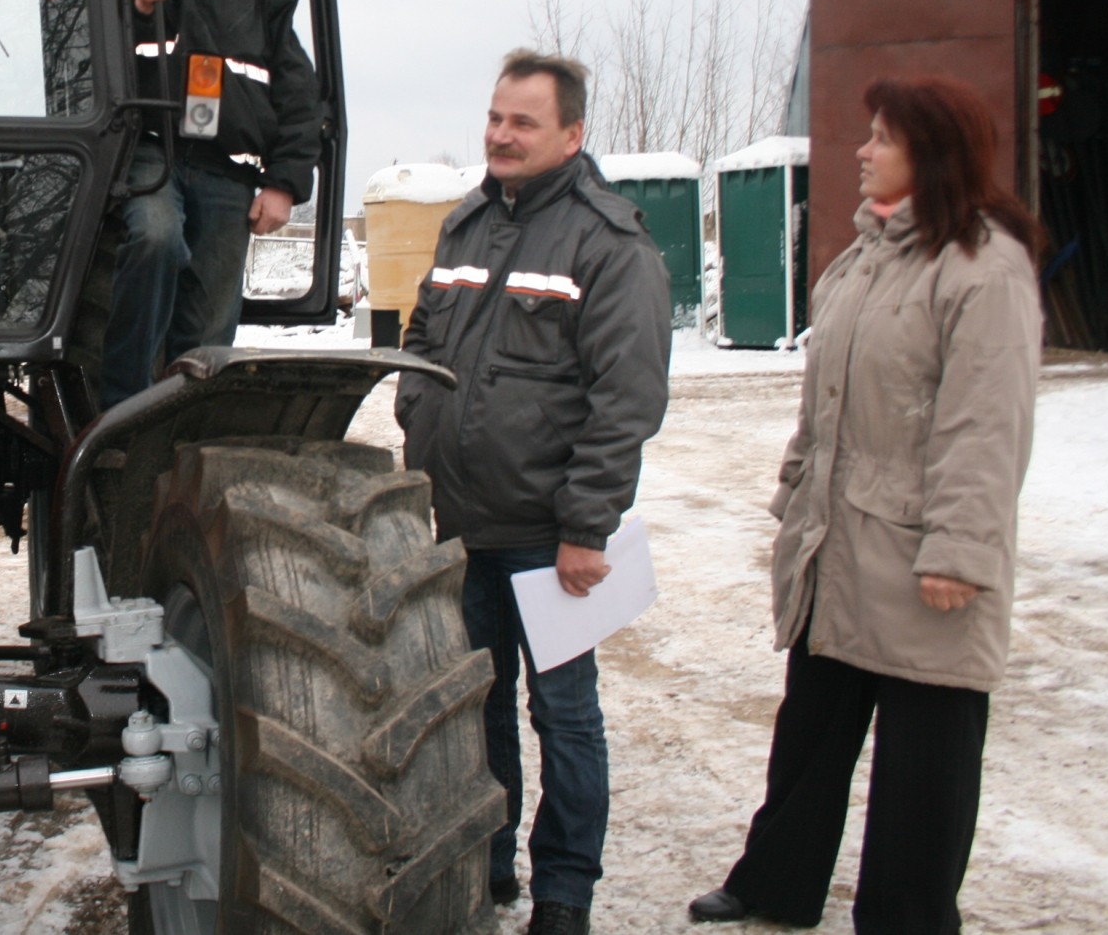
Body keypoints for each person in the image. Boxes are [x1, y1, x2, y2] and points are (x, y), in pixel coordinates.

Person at [689, 76, 1044, 934]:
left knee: (926, 763)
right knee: (809, 731)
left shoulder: (983, 268)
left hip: (923, 554)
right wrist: (794, 491)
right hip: (838, 542)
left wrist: (959, 549)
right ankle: (777, 880)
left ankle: (907, 913)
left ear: (933, 151)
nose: (862, 150)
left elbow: (985, 424)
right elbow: (826, 405)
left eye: (881, 136)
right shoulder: (862, 260)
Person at [395, 51, 671, 935]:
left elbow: (626, 396)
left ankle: (564, 892)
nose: (501, 136)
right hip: (462, 525)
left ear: (571, 135)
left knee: (564, 716)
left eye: (523, 122)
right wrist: (416, 415)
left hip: (551, 539)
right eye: (495, 117)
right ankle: (490, 857)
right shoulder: (467, 223)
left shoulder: (607, 240)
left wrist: (587, 526)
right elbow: (422, 328)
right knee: (475, 708)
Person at [99, 0, 319, 408]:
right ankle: (117, 415)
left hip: (228, 169)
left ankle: (181, 436)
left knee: (211, 325)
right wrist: (135, 4)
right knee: (157, 237)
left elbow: (297, 86)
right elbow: (72, 47)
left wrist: (285, 183)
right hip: (149, 153)